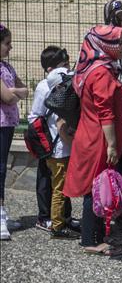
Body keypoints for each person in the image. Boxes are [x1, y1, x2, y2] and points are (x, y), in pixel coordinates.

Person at [62, 25, 122, 257]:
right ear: (103, 45)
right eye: (117, 42)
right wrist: (111, 144)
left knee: (100, 185)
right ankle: (89, 240)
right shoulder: (100, 73)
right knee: (95, 188)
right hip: (97, 139)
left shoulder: (98, 68)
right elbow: (105, 112)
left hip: (93, 135)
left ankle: (98, 236)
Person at [28, 46, 78, 236]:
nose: (67, 69)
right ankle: (53, 221)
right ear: (51, 69)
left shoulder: (65, 86)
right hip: (52, 146)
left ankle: (65, 218)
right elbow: (36, 116)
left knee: (64, 184)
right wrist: (46, 141)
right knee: (56, 185)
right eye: (63, 66)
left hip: (65, 145)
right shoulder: (45, 87)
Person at [0, 23, 29, 240]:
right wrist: (13, 93)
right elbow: (8, 98)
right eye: (7, 44)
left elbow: (24, 90)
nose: (10, 48)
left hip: (8, 124)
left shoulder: (8, 68)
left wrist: (13, 91)